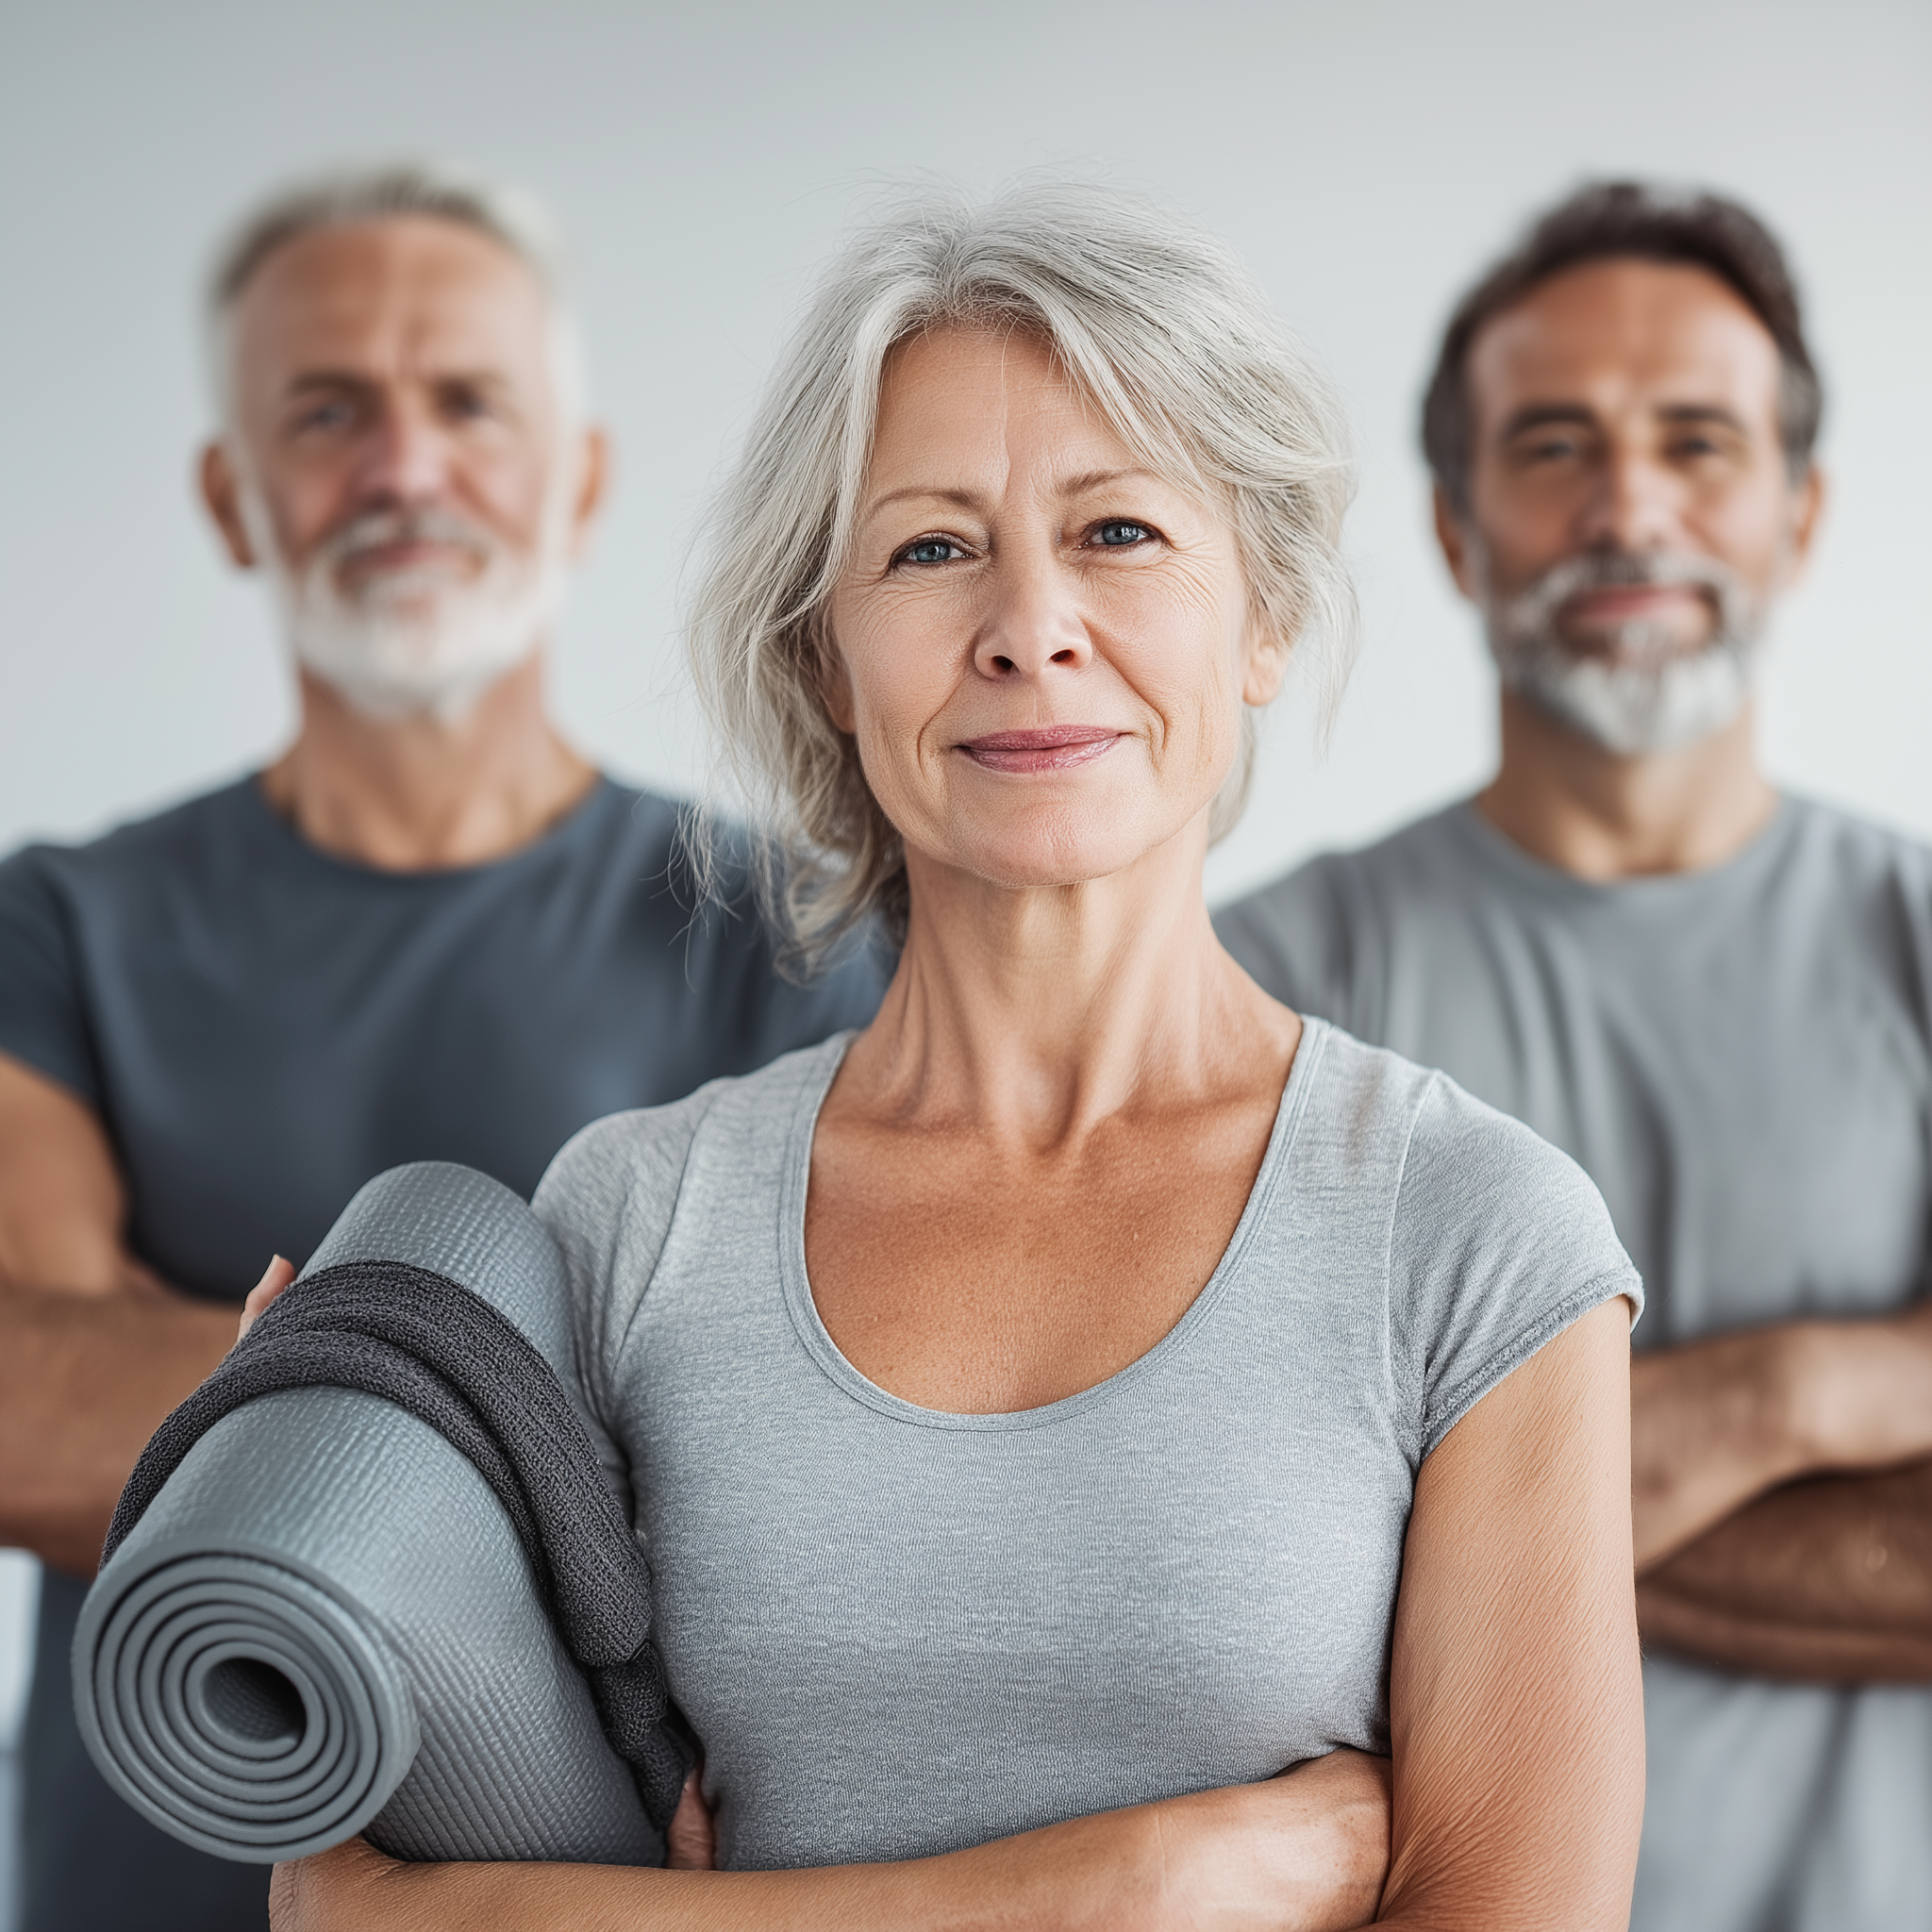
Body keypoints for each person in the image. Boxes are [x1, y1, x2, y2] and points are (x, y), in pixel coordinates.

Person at [267, 181, 1644, 1932]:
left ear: (1266, 618)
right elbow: (352, 1905)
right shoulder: (629, 1219)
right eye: (930, 548)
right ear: (826, 661)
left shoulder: (1477, 1234)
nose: (1029, 623)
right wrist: (1122, 1890)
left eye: (1122, 534)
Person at [0, 164, 883, 1932]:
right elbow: (18, 1400)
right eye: (328, 412)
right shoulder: (56, 926)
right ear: (230, 498)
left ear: (581, 476)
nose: (403, 468)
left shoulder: (794, 922)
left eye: (467, 403)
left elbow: (843, 1497)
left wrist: (279, 1444)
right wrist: (577, 1448)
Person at [1217, 181, 1932, 1932]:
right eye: (1555, 447)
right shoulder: (1267, 979)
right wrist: (1825, 1397)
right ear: (1458, 532)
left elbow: (1337, 1567)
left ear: (1798, 513)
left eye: (1697, 442)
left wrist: (1464, 1516)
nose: (1630, 508)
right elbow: (1215, 1577)